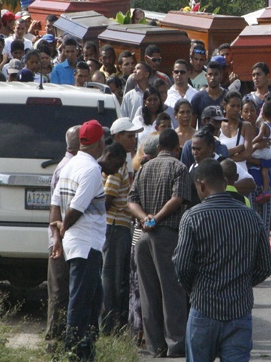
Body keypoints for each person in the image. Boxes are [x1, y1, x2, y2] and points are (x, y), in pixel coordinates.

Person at [173, 159, 271, 362]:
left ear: (200, 184)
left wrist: (196, 289)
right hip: (239, 309)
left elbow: (181, 266)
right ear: (225, 181)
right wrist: (242, 282)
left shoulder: (192, 217)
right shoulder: (252, 217)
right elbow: (264, 267)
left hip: (203, 308)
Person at [128, 128, 190, 358]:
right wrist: (158, 217)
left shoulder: (144, 168)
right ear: (176, 148)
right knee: (171, 291)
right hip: (166, 234)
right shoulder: (179, 167)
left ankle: (155, 346)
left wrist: (145, 217)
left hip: (143, 237)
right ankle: (175, 344)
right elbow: (178, 198)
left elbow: (131, 201)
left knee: (148, 292)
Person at [50, 120, 108, 361]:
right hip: (85, 244)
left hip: (77, 242)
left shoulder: (69, 165)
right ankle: (72, 352)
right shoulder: (91, 170)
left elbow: (54, 204)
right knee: (80, 302)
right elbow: (75, 208)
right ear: (99, 143)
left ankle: (87, 350)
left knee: (94, 300)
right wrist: (61, 232)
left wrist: (56, 237)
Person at [45, 126, 80, 343]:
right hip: (61, 238)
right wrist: (58, 236)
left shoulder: (72, 166)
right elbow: (55, 206)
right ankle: (54, 338)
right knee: (59, 291)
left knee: (65, 289)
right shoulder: (66, 168)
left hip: (67, 237)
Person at [100, 136, 134, 335]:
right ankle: (107, 327)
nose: (133, 140)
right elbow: (108, 197)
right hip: (114, 225)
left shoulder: (120, 164)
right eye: (129, 136)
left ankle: (113, 325)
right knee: (111, 278)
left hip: (119, 225)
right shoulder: (117, 166)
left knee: (116, 278)